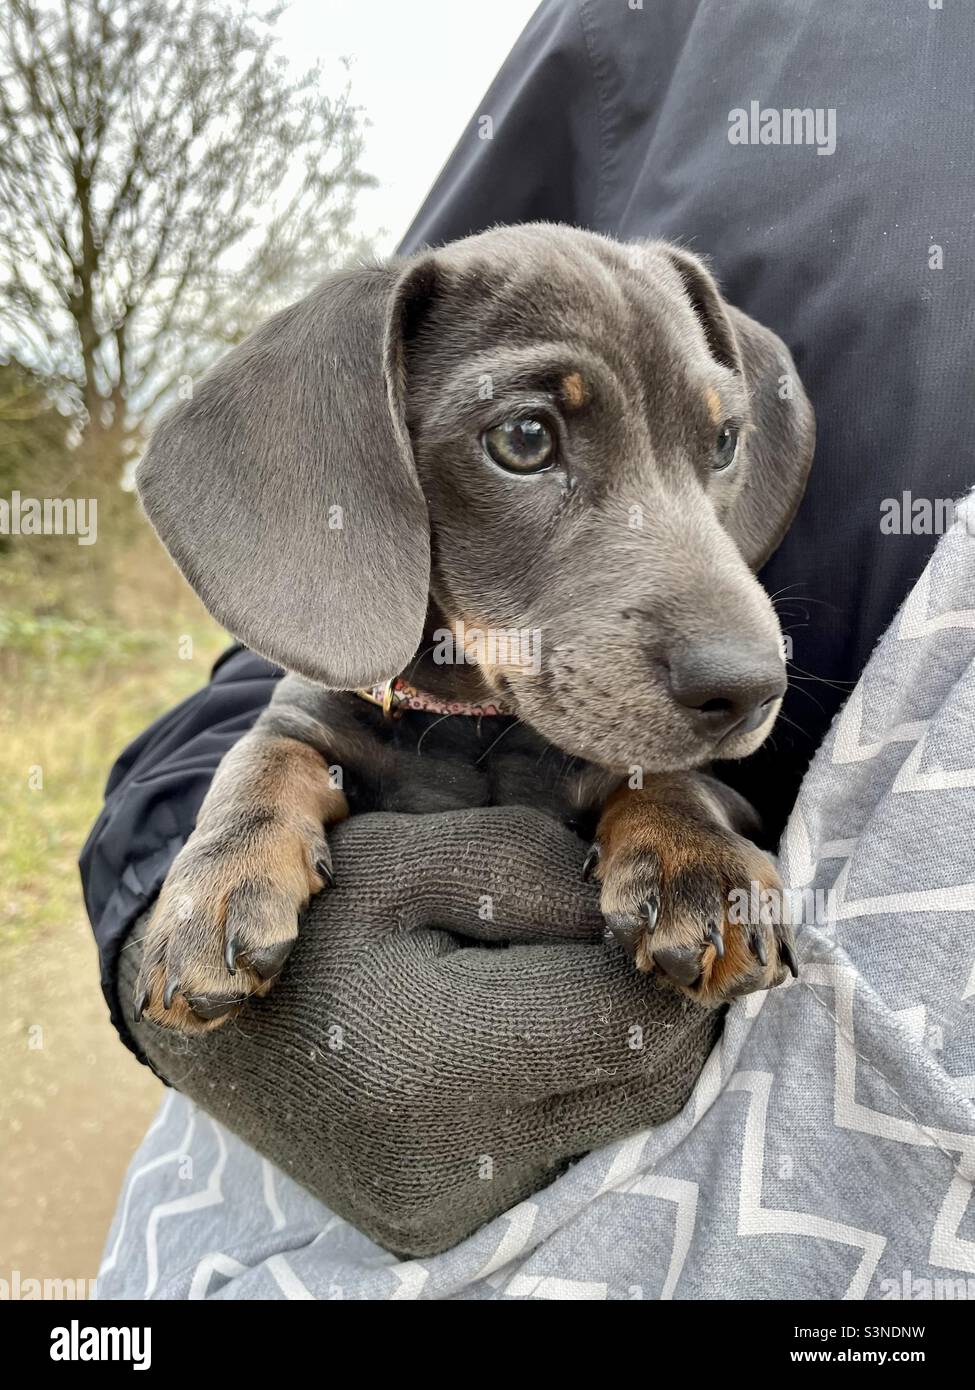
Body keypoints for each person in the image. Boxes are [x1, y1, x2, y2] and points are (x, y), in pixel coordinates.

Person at [84, 0, 974, 1280]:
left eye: (712, 444)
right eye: (527, 438)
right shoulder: (658, 30)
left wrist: (666, 807)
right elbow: (305, 642)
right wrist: (186, 847)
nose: (742, 642)